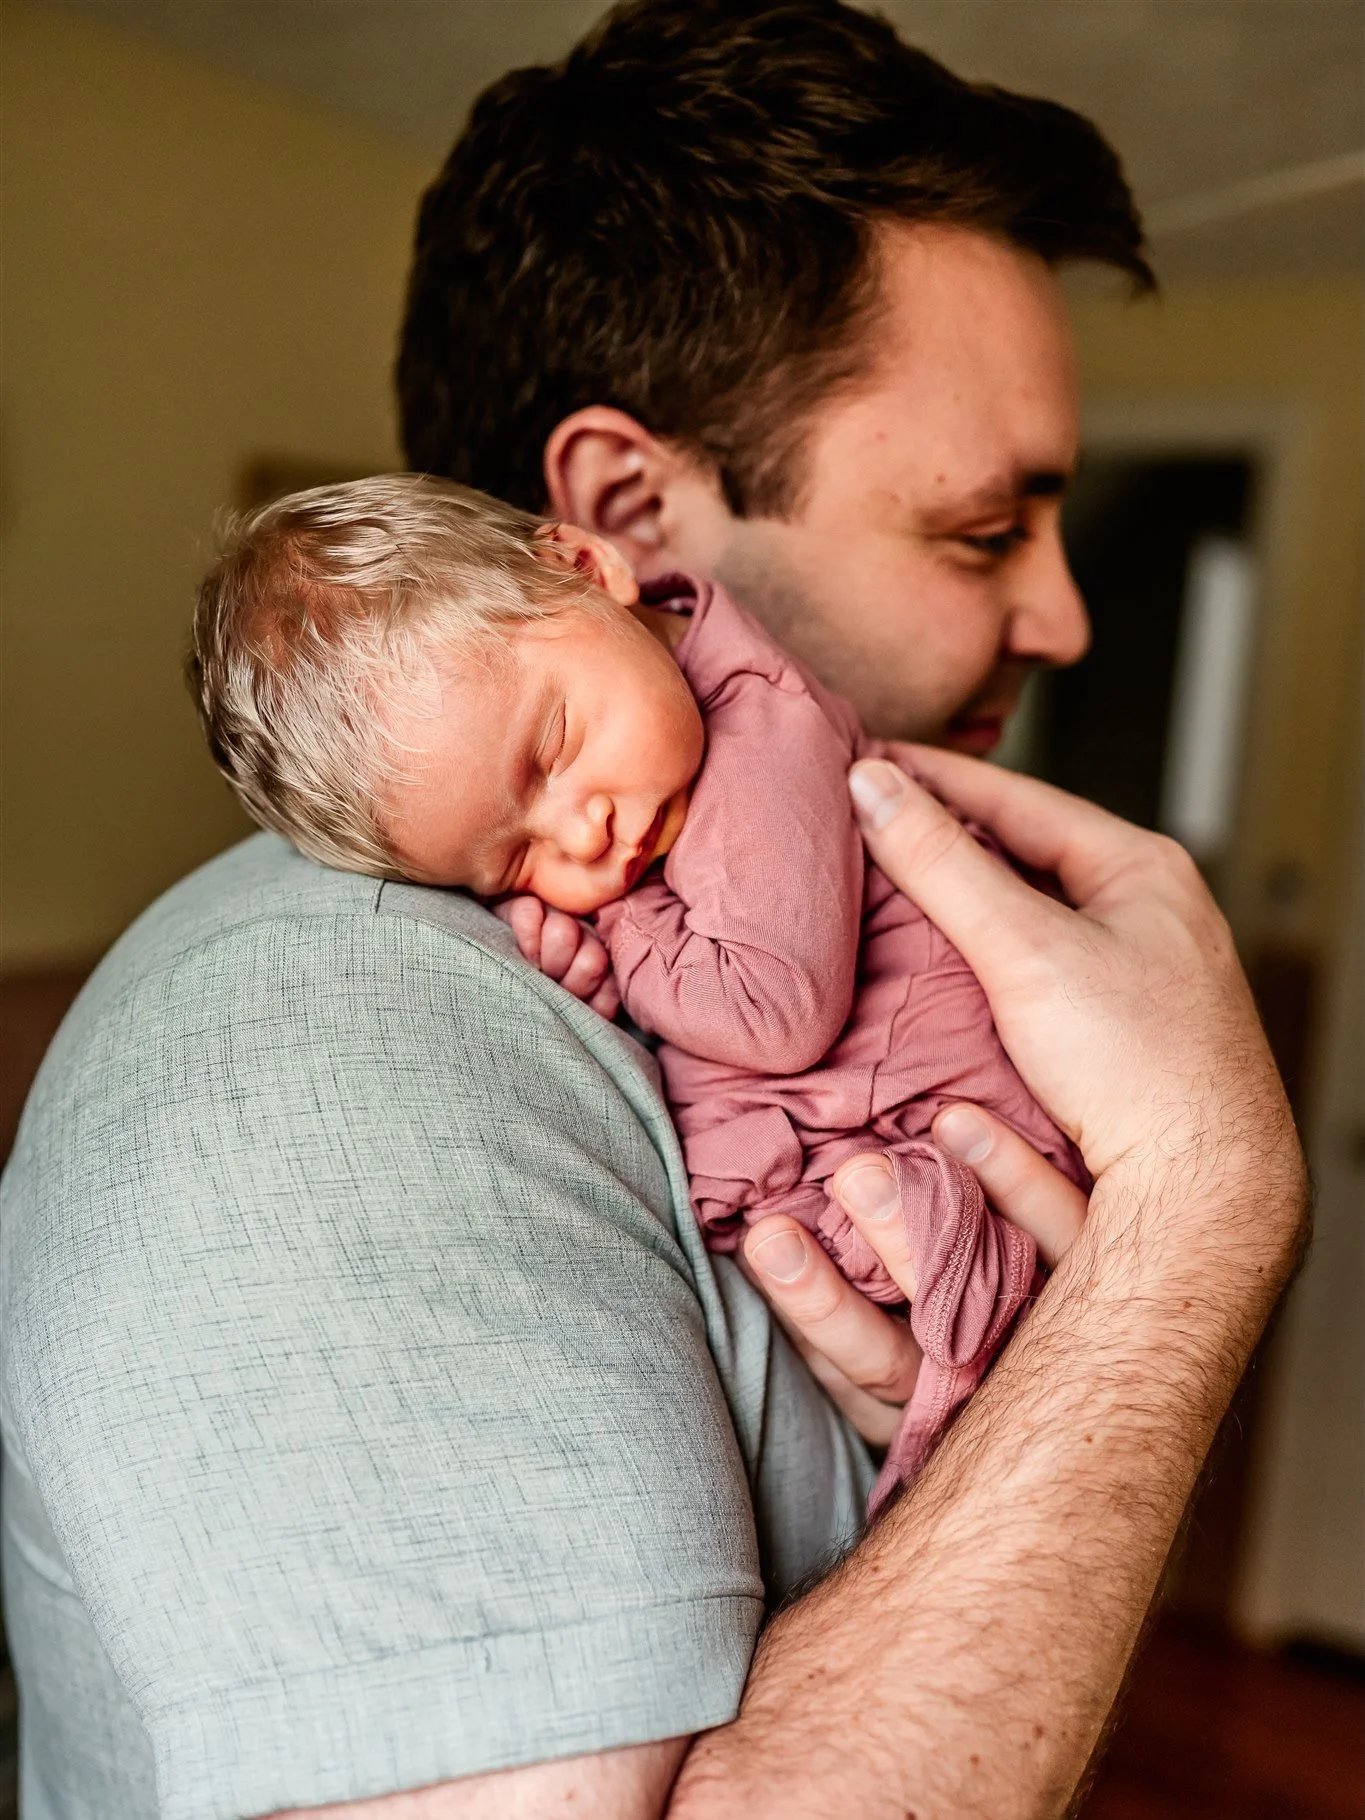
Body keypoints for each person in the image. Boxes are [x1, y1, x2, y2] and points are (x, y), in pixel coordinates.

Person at [0, 4, 1306, 1819]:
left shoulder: (730, 898)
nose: (1068, 617)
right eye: (981, 530)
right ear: (621, 516)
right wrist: (1202, 1214)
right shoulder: (326, 1052)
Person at [187, 472, 1090, 1509]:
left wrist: (613, 931)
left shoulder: (763, 734)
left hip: (943, 1131)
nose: (581, 836)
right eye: (509, 861)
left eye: (553, 748)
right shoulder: (655, 768)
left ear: (588, 569)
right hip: (863, 1151)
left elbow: (771, 1008)